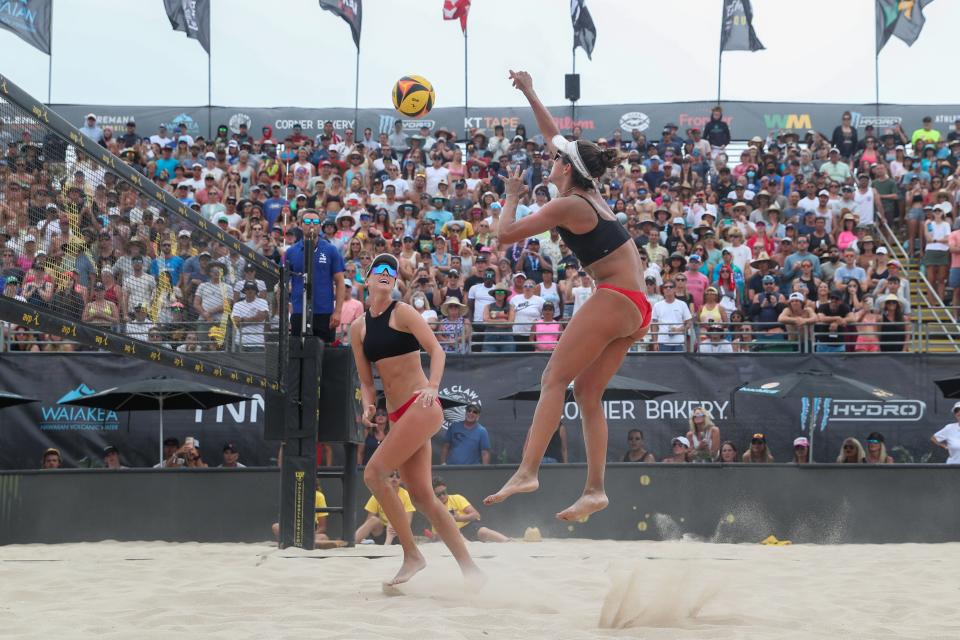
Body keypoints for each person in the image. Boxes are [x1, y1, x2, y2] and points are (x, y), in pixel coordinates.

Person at [484, 71, 652, 522]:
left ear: (566, 169)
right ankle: (595, 490)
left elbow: (504, 236)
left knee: (554, 380)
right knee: (587, 393)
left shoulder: (567, 205)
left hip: (615, 297)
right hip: (636, 307)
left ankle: (528, 470)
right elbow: (553, 133)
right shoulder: (589, 191)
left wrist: (513, 195)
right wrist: (529, 90)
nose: (548, 158)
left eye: (554, 159)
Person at [349, 253, 482, 586]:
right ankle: (471, 570)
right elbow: (367, 382)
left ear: (395, 281)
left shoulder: (403, 312)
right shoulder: (358, 328)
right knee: (423, 497)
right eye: (377, 268)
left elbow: (437, 351)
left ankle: (412, 555)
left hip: (421, 404)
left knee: (374, 472)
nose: (385, 272)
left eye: (390, 270)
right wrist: (368, 407)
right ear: (366, 279)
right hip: (396, 414)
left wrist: (434, 386)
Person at [286, 209, 345, 342]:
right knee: (298, 355)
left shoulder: (331, 250)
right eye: (307, 221)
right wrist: (288, 308)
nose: (311, 224)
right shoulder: (291, 252)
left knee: (324, 355)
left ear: (320, 225)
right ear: (300, 225)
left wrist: (338, 311)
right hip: (299, 312)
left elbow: (340, 282)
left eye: (316, 221)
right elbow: (283, 282)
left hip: (324, 312)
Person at [429, 477, 509, 543]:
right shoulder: (434, 508)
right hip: (452, 533)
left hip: (468, 526)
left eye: (444, 492)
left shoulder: (457, 498)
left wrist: (457, 518)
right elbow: (437, 534)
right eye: (438, 495)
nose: (442, 496)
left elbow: (476, 515)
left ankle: (508, 542)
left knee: (484, 532)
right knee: (457, 536)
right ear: (433, 495)